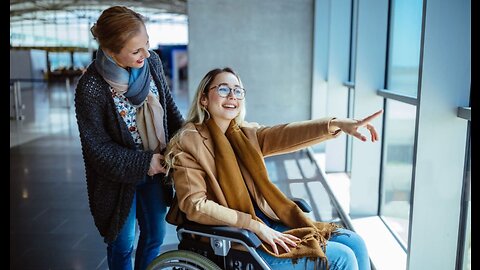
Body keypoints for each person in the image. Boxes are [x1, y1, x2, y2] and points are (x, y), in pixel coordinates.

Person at [164, 67, 382, 270]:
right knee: (342, 257)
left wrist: (336, 124)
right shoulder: (189, 141)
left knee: (355, 242)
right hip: (237, 238)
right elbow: (195, 205)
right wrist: (253, 226)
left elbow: (288, 133)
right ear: (203, 99)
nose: (232, 96)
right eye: (223, 89)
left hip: (268, 223)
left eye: (238, 91)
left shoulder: (246, 134)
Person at [74, 6, 184, 270]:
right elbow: (97, 149)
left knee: (155, 235)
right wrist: (146, 162)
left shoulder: (152, 63)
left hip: (156, 171)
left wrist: (188, 139)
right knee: (122, 245)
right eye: (136, 50)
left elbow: (168, 109)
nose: (145, 54)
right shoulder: (91, 87)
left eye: (147, 43)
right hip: (116, 181)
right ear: (111, 52)